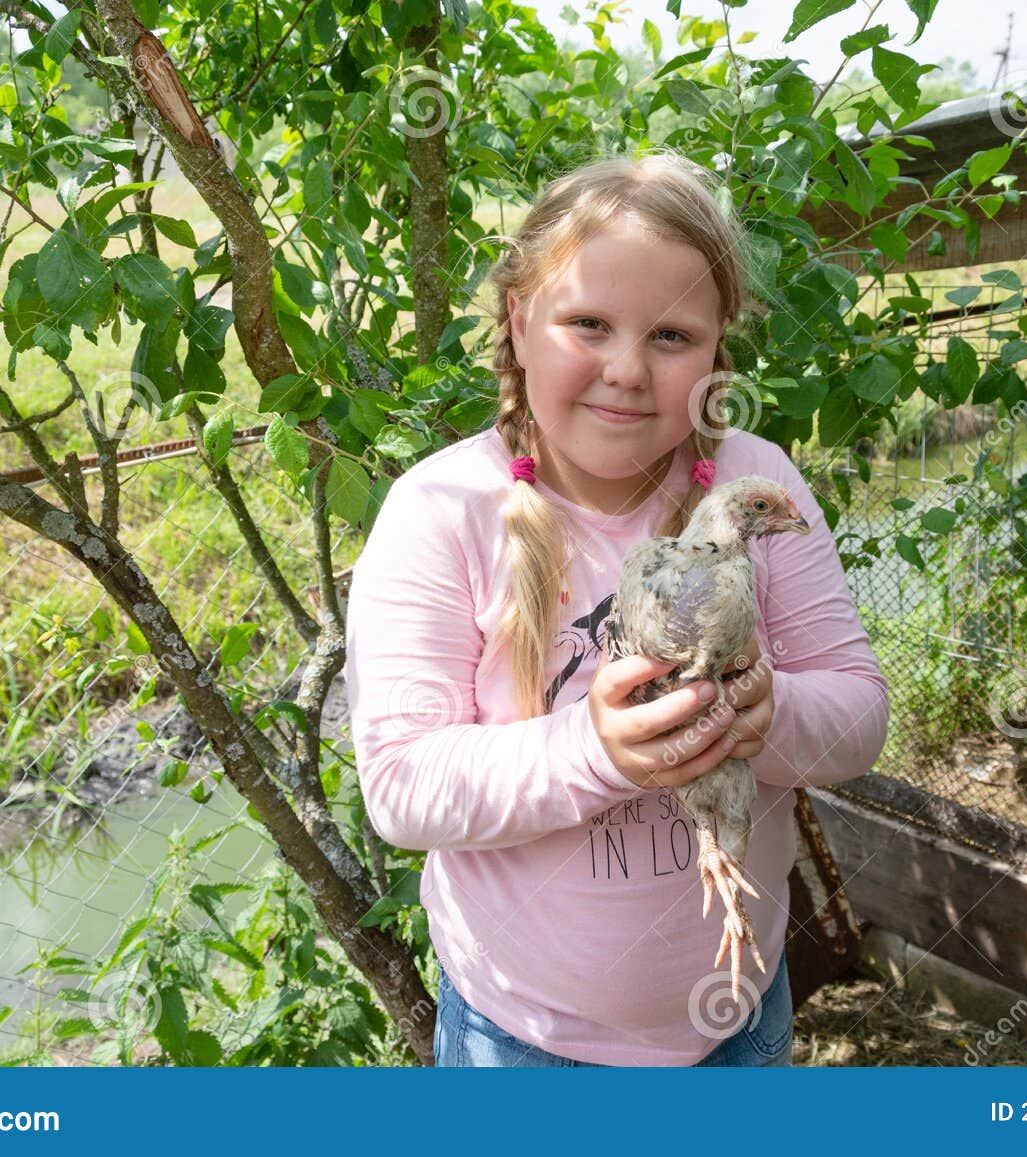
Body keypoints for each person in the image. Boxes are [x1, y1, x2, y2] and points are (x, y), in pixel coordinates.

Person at [344, 149, 890, 1067]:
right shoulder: (441, 512)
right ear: (519, 322)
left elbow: (859, 718)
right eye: (587, 323)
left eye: (672, 337)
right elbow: (401, 787)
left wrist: (771, 714)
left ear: (720, 347)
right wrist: (593, 751)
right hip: (522, 1045)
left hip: (739, 1023)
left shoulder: (756, 480)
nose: (627, 371)